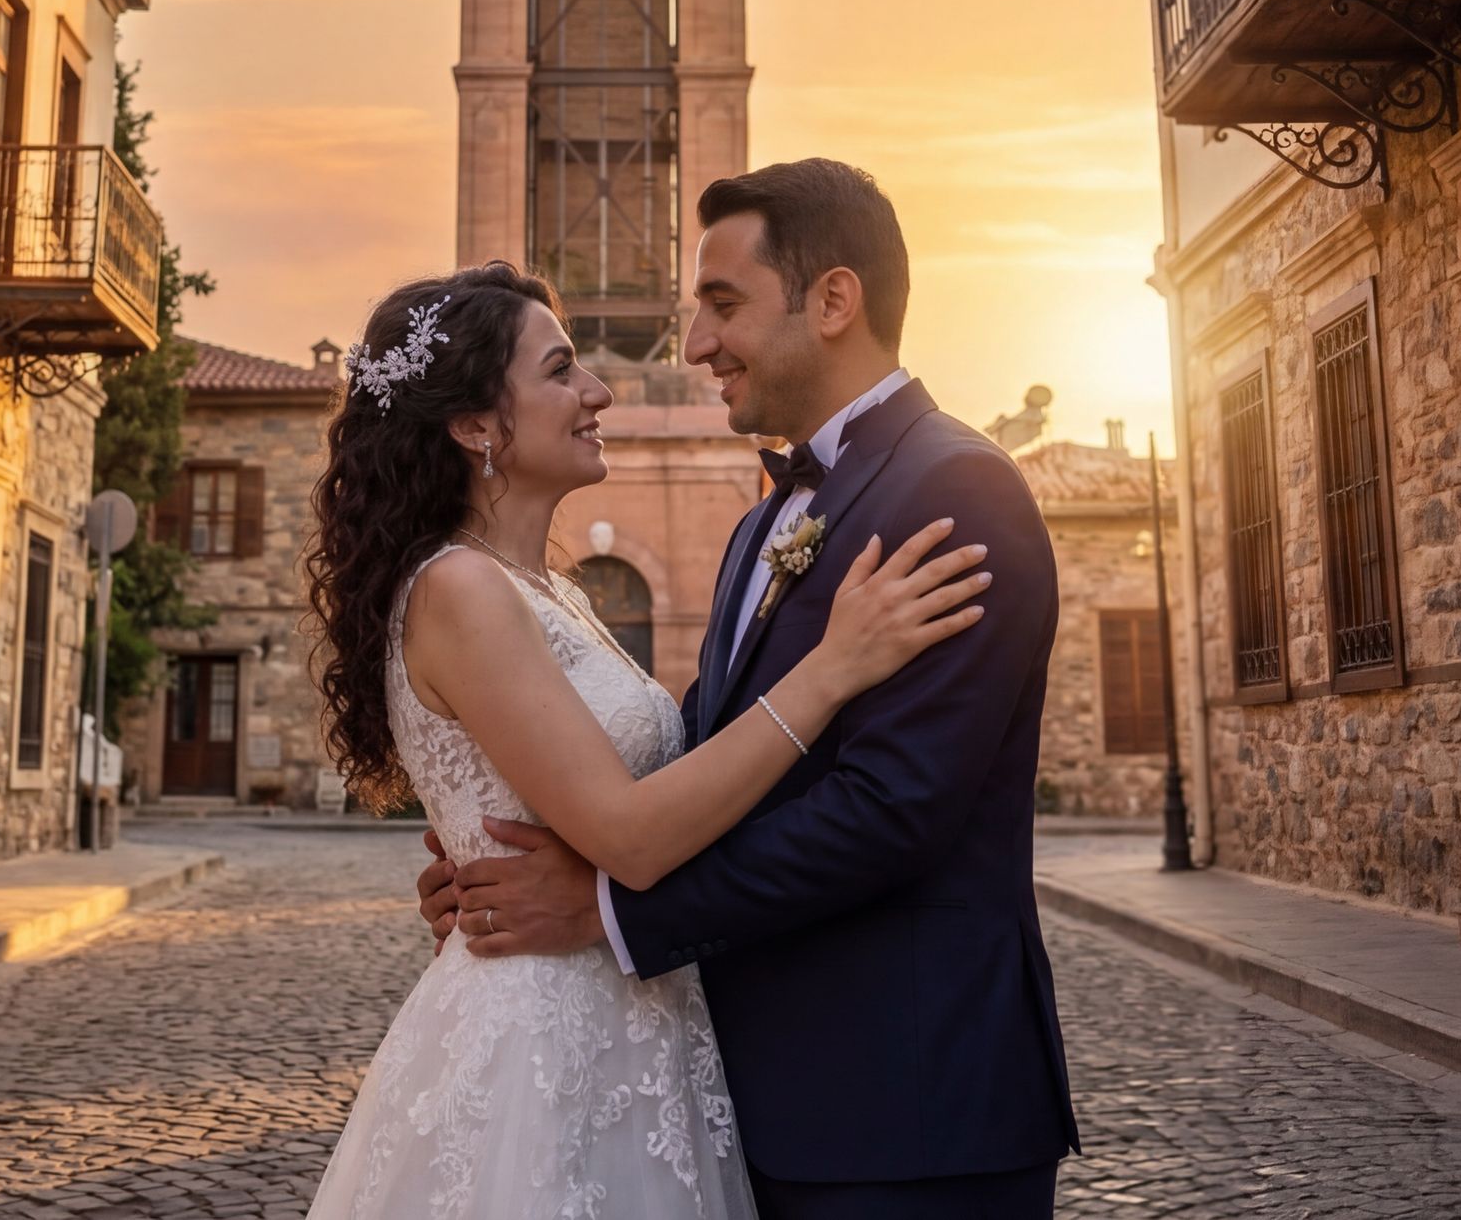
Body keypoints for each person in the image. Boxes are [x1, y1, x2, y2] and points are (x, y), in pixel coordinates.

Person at [417, 159, 1080, 1217]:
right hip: (750, 1100)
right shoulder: (755, 526)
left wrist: (599, 908)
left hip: (909, 1107)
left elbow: (892, 809)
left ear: (832, 301)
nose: (694, 345)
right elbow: (699, 753)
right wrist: (511, 838)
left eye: (723, 305)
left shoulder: (958, 488)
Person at [303, 257, 993, 1219]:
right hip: (540, 1037)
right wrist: (834, 666)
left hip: (640, 1019)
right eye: (560, 369)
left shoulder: (553, 592)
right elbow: (628, 831)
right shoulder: (460, 588)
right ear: (472, 425)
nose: (599, 390)